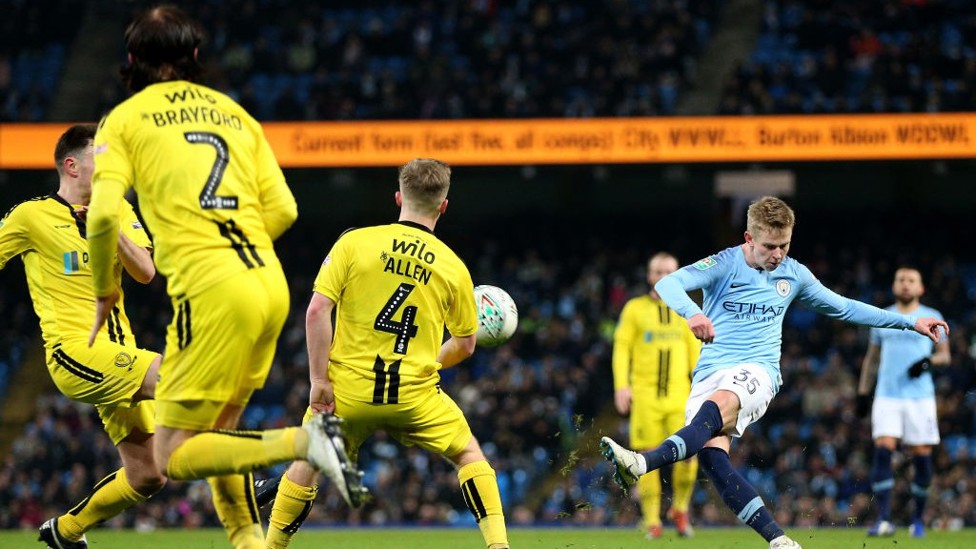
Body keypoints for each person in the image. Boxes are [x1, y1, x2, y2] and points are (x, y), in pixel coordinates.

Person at [85, 6, 364, 548]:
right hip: (268, 283)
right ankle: (247, 539)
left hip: (211, 293)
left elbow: (100, 216)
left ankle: (306, 444)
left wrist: (105, 290)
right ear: (195, 57)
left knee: (171, 456)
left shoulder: (123, 120)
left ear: (132, 61)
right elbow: (283, 210)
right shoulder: (237, 116)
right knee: (220, 435)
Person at [599, 196, 948, 549]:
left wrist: (909, 323)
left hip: (758, 371)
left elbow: (844, 308)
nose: (777, 254)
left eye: (784, 245)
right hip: (709, 372)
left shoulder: (793, 274)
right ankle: (779, 541)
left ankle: (642, 462)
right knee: (711, 458)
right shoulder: (723, 263)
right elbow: (668, 285)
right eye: (769, 246)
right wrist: (693, 313)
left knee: (720, 404)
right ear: (749, 239)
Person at [260, 159, 509, 549]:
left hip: (348, 391)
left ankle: (270, 546)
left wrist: (319, 381)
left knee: (307, 461)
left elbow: (316, 311)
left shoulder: (354, 243)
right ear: (444, 206)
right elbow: (466, 343)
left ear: (398, 197)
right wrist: (425, 363)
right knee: (468, 453)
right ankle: (498, 546)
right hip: (414, 395)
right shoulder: (453, 267)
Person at [0, 124, 161, 549]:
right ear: (71, 166)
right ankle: (243, 487)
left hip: (119, 352)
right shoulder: (30, 217)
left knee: (148, 475)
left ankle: (66, 532)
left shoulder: (119, 209)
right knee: (179, 375)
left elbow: (145, 273)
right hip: (74, 352)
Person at [612, 252, 700, 539]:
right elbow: (622, 349)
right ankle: (652, 521)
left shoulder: (686, 309)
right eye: (657, 272)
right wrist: (621, 386)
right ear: (649, 276)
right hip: (645, 397)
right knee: (646, 459)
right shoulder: (634, 309)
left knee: (689, 456)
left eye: (669, 272)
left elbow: (696, 355)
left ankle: (681, 510)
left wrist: (703, 390)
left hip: (680, 397)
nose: (663, 276)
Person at [856, 267, 949, 538]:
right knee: (883, 450)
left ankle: (918, 520)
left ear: (921, 288)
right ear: (894, 285)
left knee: (921, 455)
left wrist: (927, 361)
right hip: (886, 394)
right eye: (901, 280)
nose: (905, 285)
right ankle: (884, 519)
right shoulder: (883, 316)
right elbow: (871, 359)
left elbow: (945, 355)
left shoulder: (932, 317)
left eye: (911, 281)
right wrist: (863, 393)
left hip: (919, 397)